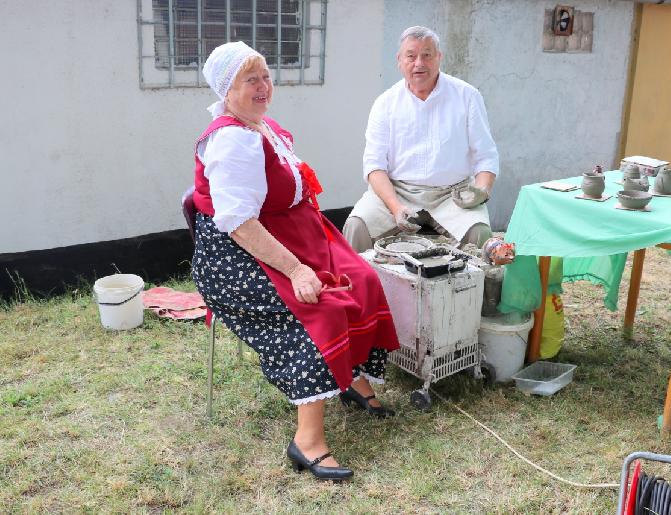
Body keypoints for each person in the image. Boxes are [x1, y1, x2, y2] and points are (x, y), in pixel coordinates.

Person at [191, 42, 400, 482]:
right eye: (251, 80)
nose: (264, 86)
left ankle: (352, 379)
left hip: (289, 234)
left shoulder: (262, 128)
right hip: (236, 258)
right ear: (227, 89)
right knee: (318, 310)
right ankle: (307, 442)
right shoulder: (231, 141)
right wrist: (297, 269)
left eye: (266, 75)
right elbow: (239, 224)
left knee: (361, 278)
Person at [343, 26, 500, 252]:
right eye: (411, 56)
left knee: (479, 232)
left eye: (427, 55)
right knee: (356, 226)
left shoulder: (467, 96)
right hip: (397, 191)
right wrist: (396, 207)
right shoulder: (385, 103)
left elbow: (485, 155)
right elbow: (374, 166)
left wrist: (481, 191)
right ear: (399, 60)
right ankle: (356, 288)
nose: (419, 63)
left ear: (439, 58)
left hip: (451, 194)